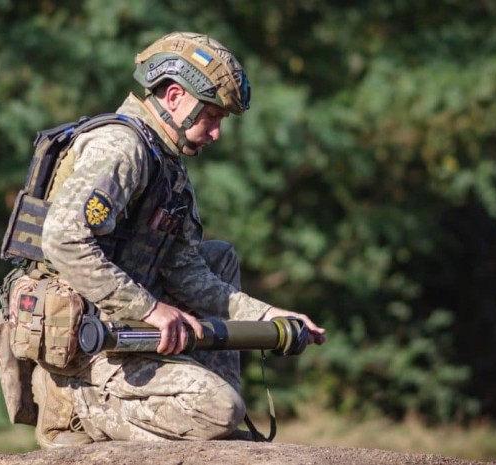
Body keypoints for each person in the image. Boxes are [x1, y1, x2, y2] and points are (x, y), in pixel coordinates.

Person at [31, 31, 326, 448]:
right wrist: (149, 309)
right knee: (220, 411)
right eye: (213, 116)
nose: (217, 133)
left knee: (218, 257)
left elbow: (185, 270)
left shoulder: (165, 161)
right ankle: (77, 412)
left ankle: (213, 421)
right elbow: (63, 240)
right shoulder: (121, 147)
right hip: (91, 350)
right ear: (174, 97)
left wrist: (264, 316)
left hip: (130, 333)